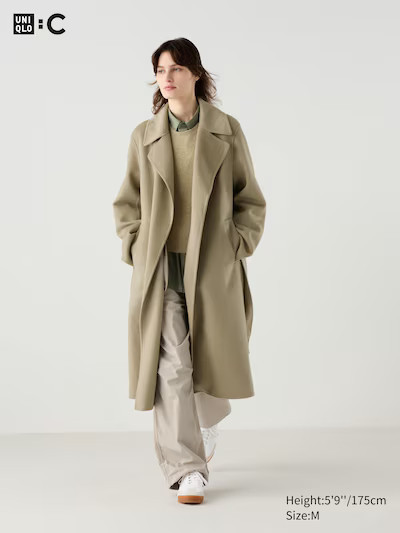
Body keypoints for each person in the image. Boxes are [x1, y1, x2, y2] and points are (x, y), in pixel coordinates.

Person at [112, 38, 266, 504]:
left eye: (177, 68)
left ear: (196, 74)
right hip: (161, 268)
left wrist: (237, 242)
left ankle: (205, 422)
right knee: (172, 366)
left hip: (212, 266)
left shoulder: (226, 130)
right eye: (161, 70)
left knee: (209, 358)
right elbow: (128, 202)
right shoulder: (145, 135)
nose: (167, 77)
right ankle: (187, 468)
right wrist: (135, 244)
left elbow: (250, 198)